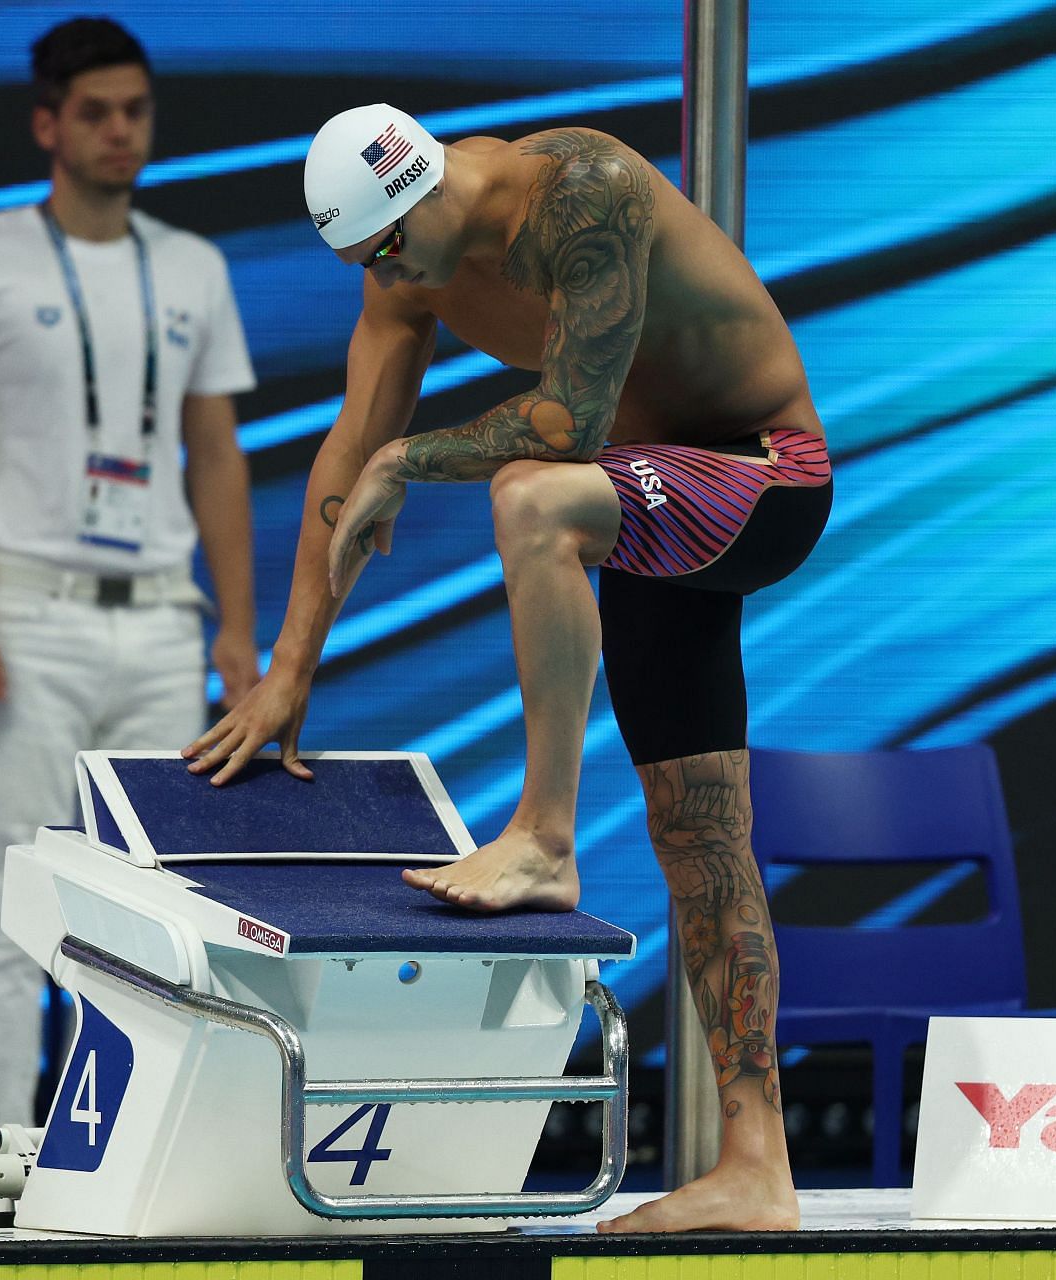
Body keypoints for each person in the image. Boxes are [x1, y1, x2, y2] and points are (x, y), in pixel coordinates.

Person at [182, 104, 830, 1231]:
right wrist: (290, 668)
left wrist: (409, 454)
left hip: (762, 472)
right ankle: (757, 1165)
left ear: (425, 188)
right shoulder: (405, 272)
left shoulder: (583, 191)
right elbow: (346, 450)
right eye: (361, 265)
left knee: (530, 495)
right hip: (644, 498)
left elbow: (565, 424)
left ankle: (543, 831)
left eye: (384, 252)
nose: (383, 280)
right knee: (703, 839)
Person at [0, 17, 259, 1153]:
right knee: (12, 901)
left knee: (149, 909)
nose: (120, 132)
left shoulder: (192, 264)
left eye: (136, 111)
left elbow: (216, 455)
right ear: (47, 123)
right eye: (96, 112)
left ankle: (130, 1148)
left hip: (161, 617)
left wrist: (240, 631)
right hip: (23, 615)